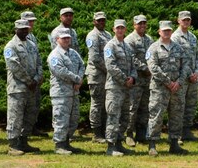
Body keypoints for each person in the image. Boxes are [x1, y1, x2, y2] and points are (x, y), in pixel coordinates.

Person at [146, 21, 190, 156]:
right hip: (160, 89)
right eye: (164, 30)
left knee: (176, 115)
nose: (166, 32)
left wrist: (179, 82)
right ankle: (152, 145)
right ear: (159, 32)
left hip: (176, 89)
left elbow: (186, 65)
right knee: (156, 115)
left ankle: (174, 144)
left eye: (169, 30)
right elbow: (153, 67)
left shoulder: (178, 48)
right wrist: (168, 82)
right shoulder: (153, 48)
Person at [5, 19, 41, 155]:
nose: (25, 31)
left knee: (29, 115)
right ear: (16, 30)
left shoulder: (32, 44)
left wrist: (37, 79)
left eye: (27, 28)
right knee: (15, 116)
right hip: (18, 88)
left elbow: (39, 63)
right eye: (22, 29)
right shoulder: (11, 46)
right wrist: (28, 81)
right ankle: (13, 145)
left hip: (32, 87)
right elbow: (14, 67)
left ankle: (23, 141)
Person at [48, 27, 85, 155]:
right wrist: (77, 79)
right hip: (61, 93)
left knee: (73, 119)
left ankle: (67, 143)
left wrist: (79, 79)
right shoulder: (55, 55)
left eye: (67, 38)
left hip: (74, 93)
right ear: (57, 39)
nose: (66, 40)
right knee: (61, 120)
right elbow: (60, 71)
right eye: (63, 38)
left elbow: (82, 65)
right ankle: (59, 145)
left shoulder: (73, 53)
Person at [103, 19, 136, 156]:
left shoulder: (127, 47)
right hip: (114, 88)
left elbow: (134, 65)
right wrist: (124, 79)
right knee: (113, 116)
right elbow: (111, 66)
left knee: (124, 117)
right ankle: (111, 147)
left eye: (122, 28)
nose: (120, 30)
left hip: (127, 88)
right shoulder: (109, 46)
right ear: (113, 29)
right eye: (118, 28)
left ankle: (119, 143)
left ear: (125, 30)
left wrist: (133, 78)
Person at [173, 10, 198, 143]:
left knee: (191, 103)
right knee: (179, 105)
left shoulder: (193, 37)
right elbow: (176, 59)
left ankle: (187, 130)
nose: (186, 22)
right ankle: (177, 133)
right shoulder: (175, 37)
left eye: (188, 20)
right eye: (184, 20)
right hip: (181, 78)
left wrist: (197, 72)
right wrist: (189, 74)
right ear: (178, 21)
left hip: (193, 78)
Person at [124, 14, 153, 146]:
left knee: (145, 107)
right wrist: (144, 68)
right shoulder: (130, 40)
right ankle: (129, 134)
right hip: (136, 80)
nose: (142, 26)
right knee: (132, 107)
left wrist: (152, 69)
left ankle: (141, 134)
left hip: (148, 80)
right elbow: (131, 58)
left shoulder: (149, 39)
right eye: (139, 23)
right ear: (134, 25)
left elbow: (153, 56)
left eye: (144, 23)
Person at [85, 12, 113, 144]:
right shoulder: (92, 36)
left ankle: (104, 130)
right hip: (96, 75)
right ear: (94, 21)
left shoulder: (107, 35)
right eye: (99, 20)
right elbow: (95, 58)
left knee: (106, 104)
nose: (101, 22)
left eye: (103, 20)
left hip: (107, 75)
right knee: (97, 104)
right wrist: (109, 70)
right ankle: (96, 133)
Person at [21, 11, 47, 138]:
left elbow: (37, 58)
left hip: (35, 78)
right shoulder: (20, 38)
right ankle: (24, 130)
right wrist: (29, 79)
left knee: (35, 104)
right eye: (29, 21)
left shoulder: (32, 37)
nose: (31, 23)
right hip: (25, 80)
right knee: (25, 106)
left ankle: (32, 126)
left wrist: (39, 75)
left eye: (32, 21)